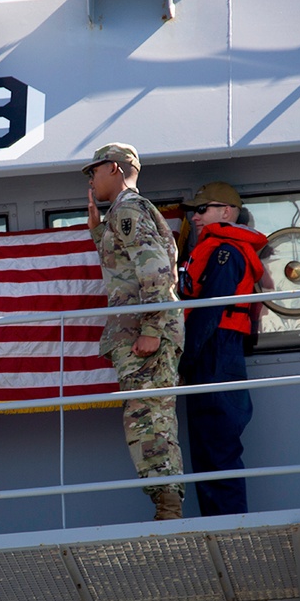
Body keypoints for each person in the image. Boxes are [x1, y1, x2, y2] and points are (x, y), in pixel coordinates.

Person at [83, 143, 186, 520]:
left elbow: (156, 271)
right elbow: (129, 267)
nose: (91, 180)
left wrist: (152, 329)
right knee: (146, 418)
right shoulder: (125, 213)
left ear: (113, 168)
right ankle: (166, 505)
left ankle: (168, 510)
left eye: (94, 171)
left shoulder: (127, 209)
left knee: (149, 420)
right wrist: (99, 233)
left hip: (143, 335)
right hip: (139, 331)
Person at [178, 182, 268, 516]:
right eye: (193, 210)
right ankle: (219, 531)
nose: (195, 216)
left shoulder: (224, 252)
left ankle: (231, 534)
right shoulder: (214, 248)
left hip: (215, 353)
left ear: (226, 212)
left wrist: (185, 361)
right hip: (213, 353)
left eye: (203, 209)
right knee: (206, 452)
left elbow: (210, 311)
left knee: (217, 452)